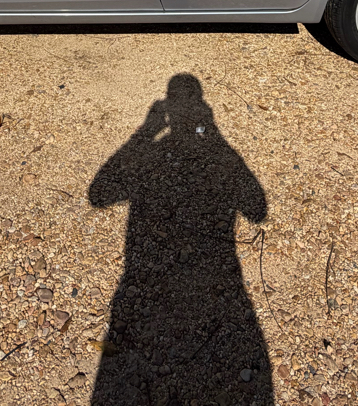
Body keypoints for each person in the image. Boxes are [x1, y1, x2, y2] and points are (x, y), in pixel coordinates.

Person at [88, 74, 272, 404]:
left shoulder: (154, 150)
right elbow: (257, 208)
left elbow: (100, 194)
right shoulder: (219, 155)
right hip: (219, 288)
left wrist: (145, 132)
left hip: (143, 290)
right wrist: (218, 143)